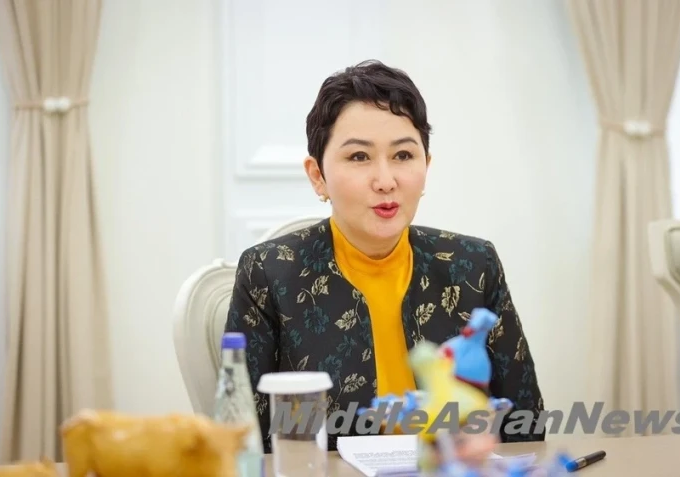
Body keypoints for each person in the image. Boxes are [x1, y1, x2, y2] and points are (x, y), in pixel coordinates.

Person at [224, 59, 545, 453]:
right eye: (359, 157)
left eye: (403, 155)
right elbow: (242, 441)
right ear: (317, 176)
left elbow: (525, 426)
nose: (385, 181)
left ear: (426, 166)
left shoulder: (473, 266)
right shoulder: (269, 273)